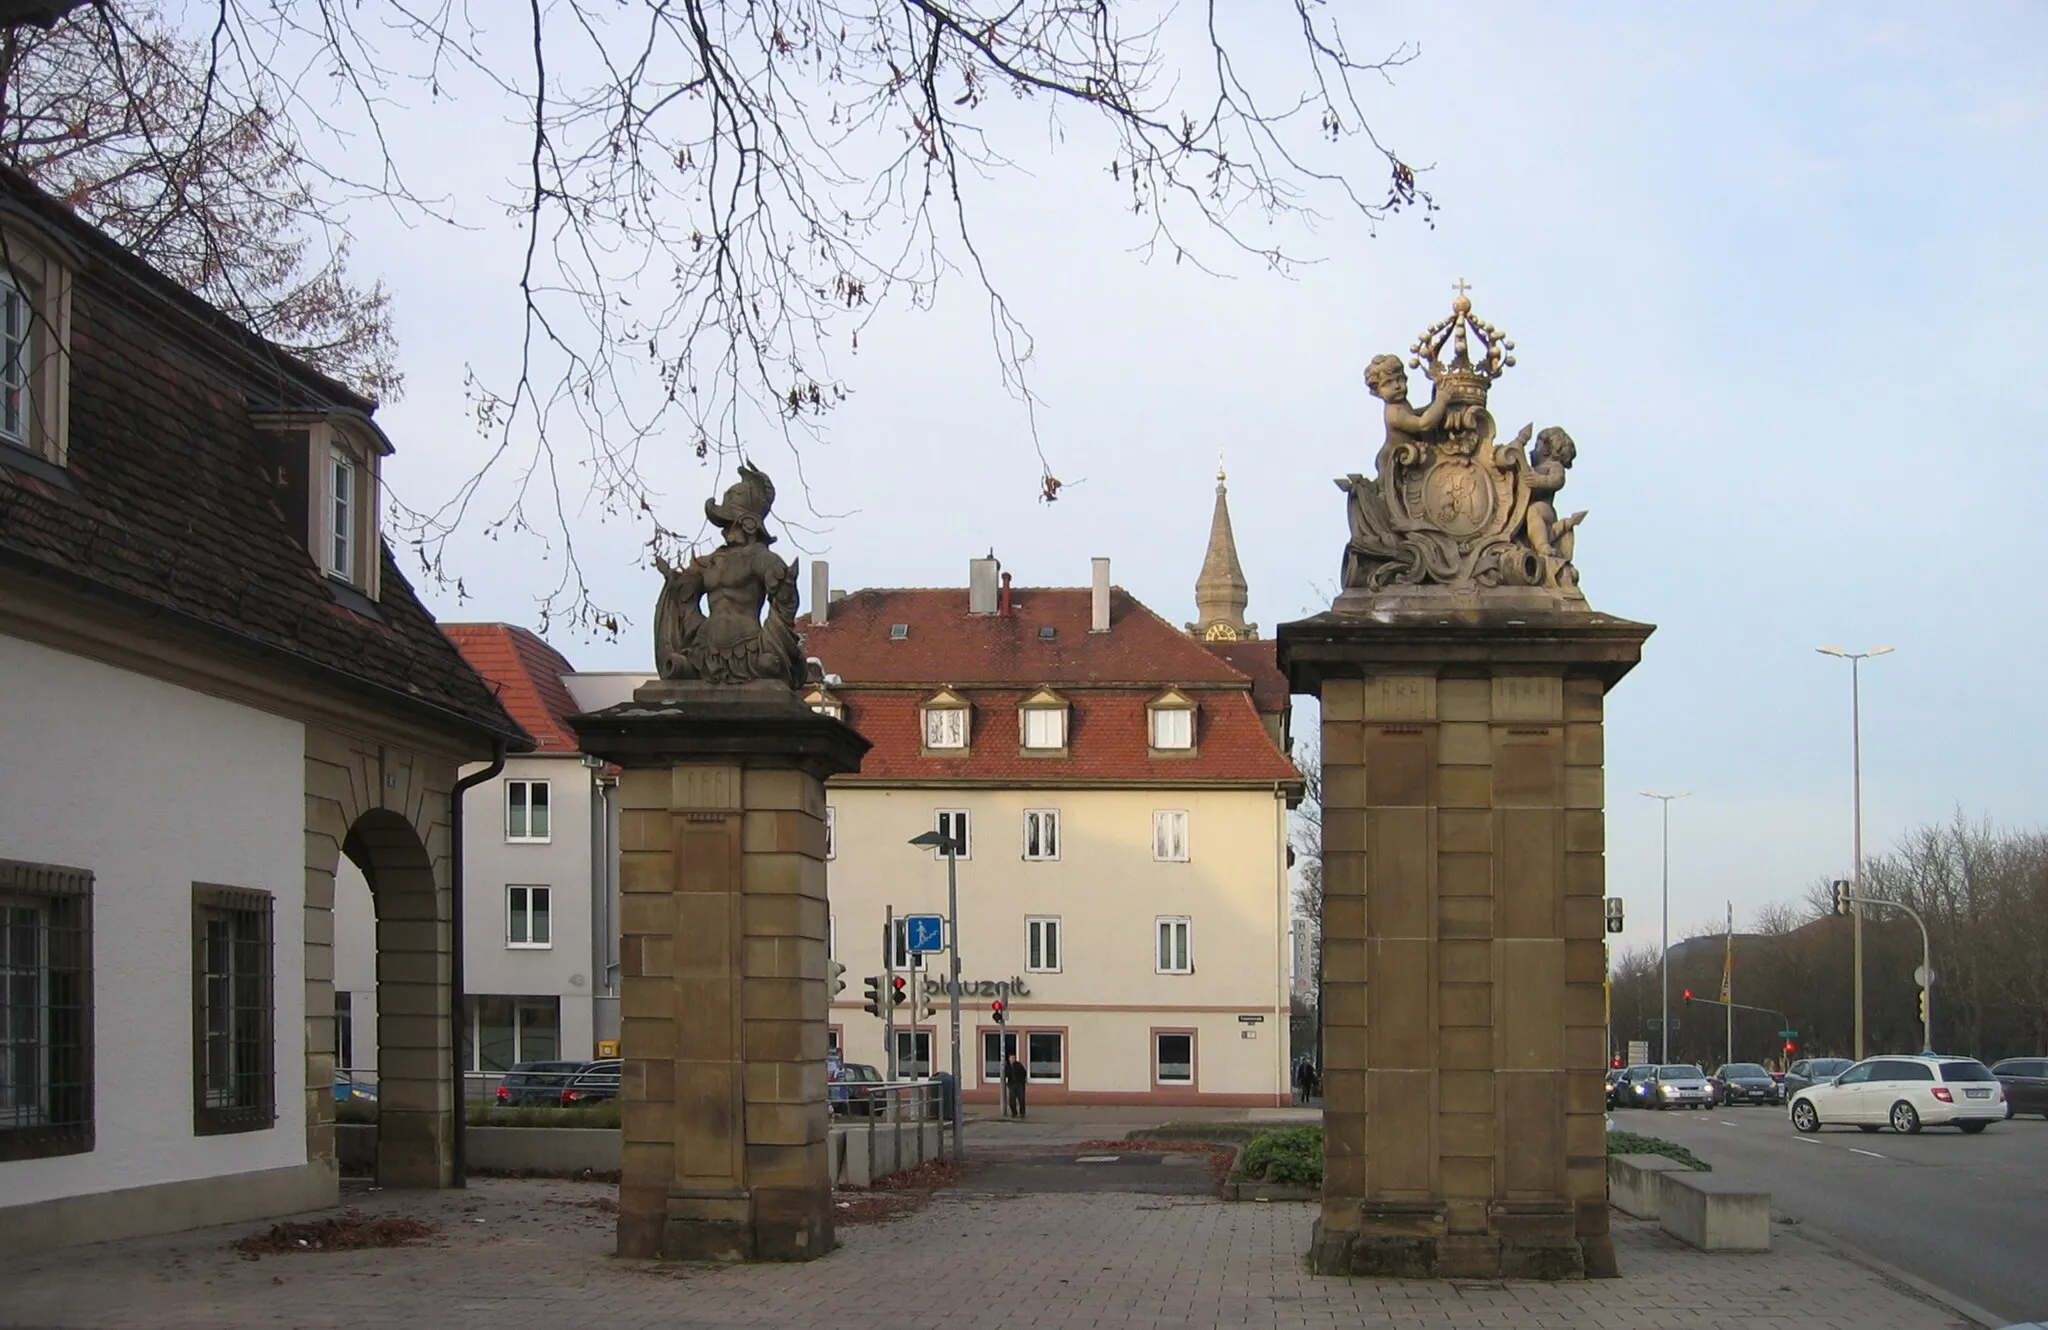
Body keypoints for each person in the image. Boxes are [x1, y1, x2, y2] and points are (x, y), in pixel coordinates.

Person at [1002, 1052, 1028, 1119]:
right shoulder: (1007, 1066)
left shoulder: (1018, 1065)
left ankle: (1022, 1113)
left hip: (1019, 1084)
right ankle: (1014, 1113)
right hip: (1011, 1084)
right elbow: (1005, 1075)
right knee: (1012, 1100)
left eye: (1013, 1058)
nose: (1012, 1059)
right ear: (1009, 1058)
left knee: (1021, 1099)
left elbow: (1024, 1072)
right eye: (1011, 1058)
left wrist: (1022, 1080)